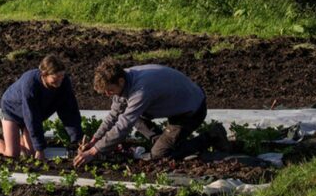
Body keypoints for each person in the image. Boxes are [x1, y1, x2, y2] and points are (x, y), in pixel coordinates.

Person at [73, 60, 229, 167]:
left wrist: (94, 152)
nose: (108, 95)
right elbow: (114, 115)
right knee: (131, 114)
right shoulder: (124, 78)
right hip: (176, 105)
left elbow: (123, 126)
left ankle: (212, 135)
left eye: (110, 91)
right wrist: (95, 140)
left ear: (120, 82)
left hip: (191, 111)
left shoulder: (140, 91)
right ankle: (162, 140)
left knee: (160, 155)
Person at [0, 55, 83, 159]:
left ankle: (3, 131)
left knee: (30, 154)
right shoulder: (30, 83)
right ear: (44, 74)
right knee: (12, 154)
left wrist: (77, 140)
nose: (60, 80)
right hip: (12, 110)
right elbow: (32, 117)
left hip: (33, 113)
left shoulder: (64, 83)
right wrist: (40, 149)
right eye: (56, 77)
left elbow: (69, 110)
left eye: (62, 76)